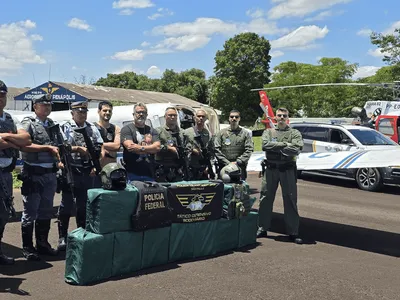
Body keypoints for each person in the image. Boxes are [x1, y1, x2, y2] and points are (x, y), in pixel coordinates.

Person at [56, 101, 103, 251]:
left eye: (84, 112)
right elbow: (61, 147)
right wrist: (78, 149)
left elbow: (99, 146)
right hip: (71, 170)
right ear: (72, 113)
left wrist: (96, 164)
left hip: (87, 171)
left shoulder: (92, 127)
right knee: (66, 205)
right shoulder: (65, 127)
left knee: (83, 205)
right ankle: (62, 236)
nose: (82, 114)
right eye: (79, 111)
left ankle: (81, 234)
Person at [19, 93, 62, 260]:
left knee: (46, 210)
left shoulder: (52, 124)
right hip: (33, 173)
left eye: (49, 105)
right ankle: (28, 248)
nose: (47, 108)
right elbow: (24, 145)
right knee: (30, 210)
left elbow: (58, 145)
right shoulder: (28, 123)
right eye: (43, 105)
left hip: (50, 174)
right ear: (35, 107)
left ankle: (42, 244)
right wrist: (46, 148)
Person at [257, 108, 304, 244]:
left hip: (287, 170)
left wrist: (276, 147)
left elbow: (296, 149)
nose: (282, 117)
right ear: (275, 118)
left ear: (287, 118)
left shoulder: (294, 133)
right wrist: (285, 145)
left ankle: (293, 231)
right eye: (279, 115)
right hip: (271, 169)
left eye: (284, 115)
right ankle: (262, 227)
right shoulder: (268, 132)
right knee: (265, 198)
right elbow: (265, 145)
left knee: (290, 199)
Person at [0, 80, 32, 265]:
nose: (0, 98)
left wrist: (5, 137)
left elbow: (26, 139)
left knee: (4, 213)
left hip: (6, 172)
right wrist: (15, 141)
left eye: (2, 94)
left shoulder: (11, 118)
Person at [120, 103, 160, 182]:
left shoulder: (152, 130)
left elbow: (157, 147)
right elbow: (130, 147)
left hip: (149, 173)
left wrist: (140, 148)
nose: (141, 114)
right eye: (138, 112)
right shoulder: (127, 129)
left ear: (147, 115)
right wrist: (150, 148)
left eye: (143, 112)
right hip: (131, 173)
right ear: (133, 114)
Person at [214, 109, 253, 180]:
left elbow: (249, 149)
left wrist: (238, 161)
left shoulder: (245, 133)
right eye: (232, 117)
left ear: (239, 118)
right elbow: (216, 150)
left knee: (240, 189)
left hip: (239, 167)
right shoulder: (221, 133)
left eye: (236, 117)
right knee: (224, 189)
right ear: (229, 118)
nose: (234, 119)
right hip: (224, 167)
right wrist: (228, 163)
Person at [155, 107, 189, 182]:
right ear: (165, 117)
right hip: (163, 168)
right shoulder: (158, 131)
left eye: (175, 115)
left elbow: (187, 147)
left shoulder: (182, 132)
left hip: (179, 169)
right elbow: (155, 147)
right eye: (170, 115)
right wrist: (168, 148)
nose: (173, 117)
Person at [93, 101, 121, 187]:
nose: (107, 113)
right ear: (99, 111)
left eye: (110, 111)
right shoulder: (92, 127)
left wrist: (101, 145)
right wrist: (109, 146)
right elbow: (92, 145)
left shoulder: (116, 128)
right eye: (105, 110)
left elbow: (117, 146)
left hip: (112, 170)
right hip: (96, 170)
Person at [184, 109, 215, 180]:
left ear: (206, 119)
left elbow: (212, 152)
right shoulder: (186, 132)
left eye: (203, 116)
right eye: (199, 116)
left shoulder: (208, 134)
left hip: (203, 169)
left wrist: (209, 167)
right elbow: (182, 149)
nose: (201, 118)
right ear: (194, 118)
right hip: (189, 167)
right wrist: (192, 150)